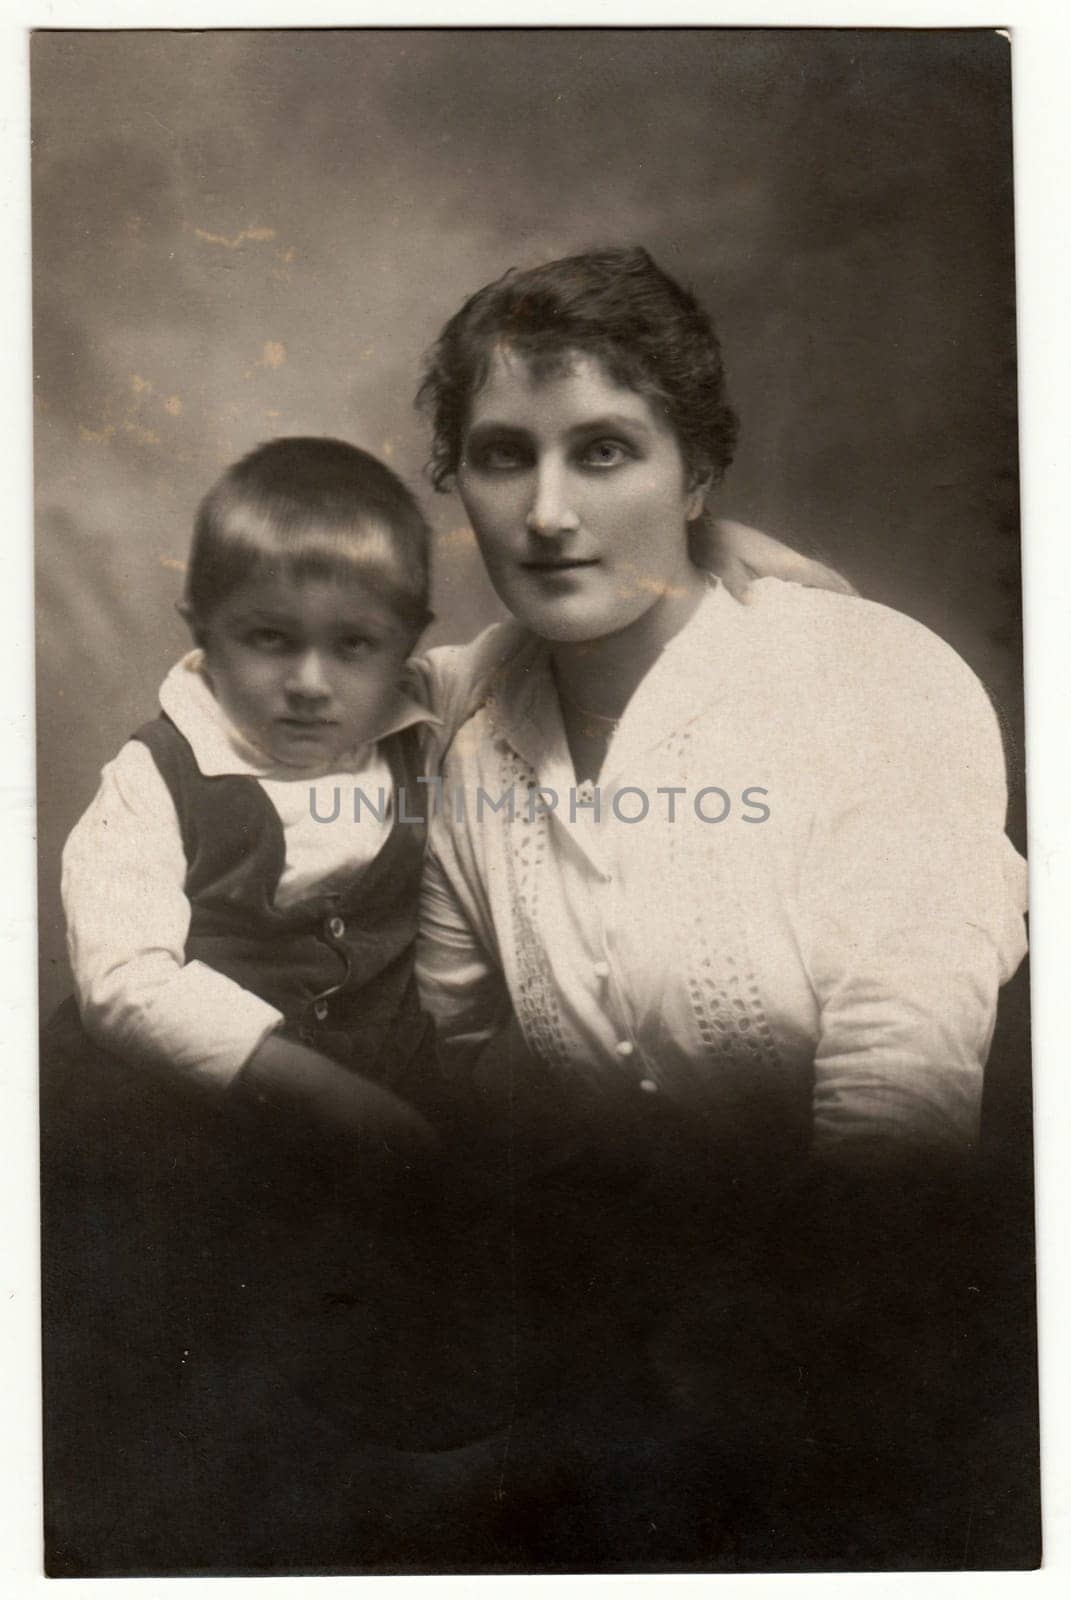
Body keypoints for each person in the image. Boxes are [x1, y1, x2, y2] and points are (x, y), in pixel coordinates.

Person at [41, 430, 838, 1572]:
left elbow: (541, 629)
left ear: (404, 648)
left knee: (524, 1217)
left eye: (351, 647)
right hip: (186, 1092)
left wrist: (710, 542)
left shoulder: (421, 702)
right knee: (178, 1311)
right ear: (200, 633)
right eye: (267, 641)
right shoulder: (156, 774)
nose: (312, 682)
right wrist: (314, 1090)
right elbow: (124, 978)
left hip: (379, 1055)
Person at [413, 245, 1030, 1567]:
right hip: (626, 1352)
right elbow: (468, 1057)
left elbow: (899, 1110)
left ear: (693, 472)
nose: (546, 513)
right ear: (453, 486)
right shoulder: (468, 738)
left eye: (604, 451)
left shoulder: (865, 685)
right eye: (500, 456)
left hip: (893, 1343)